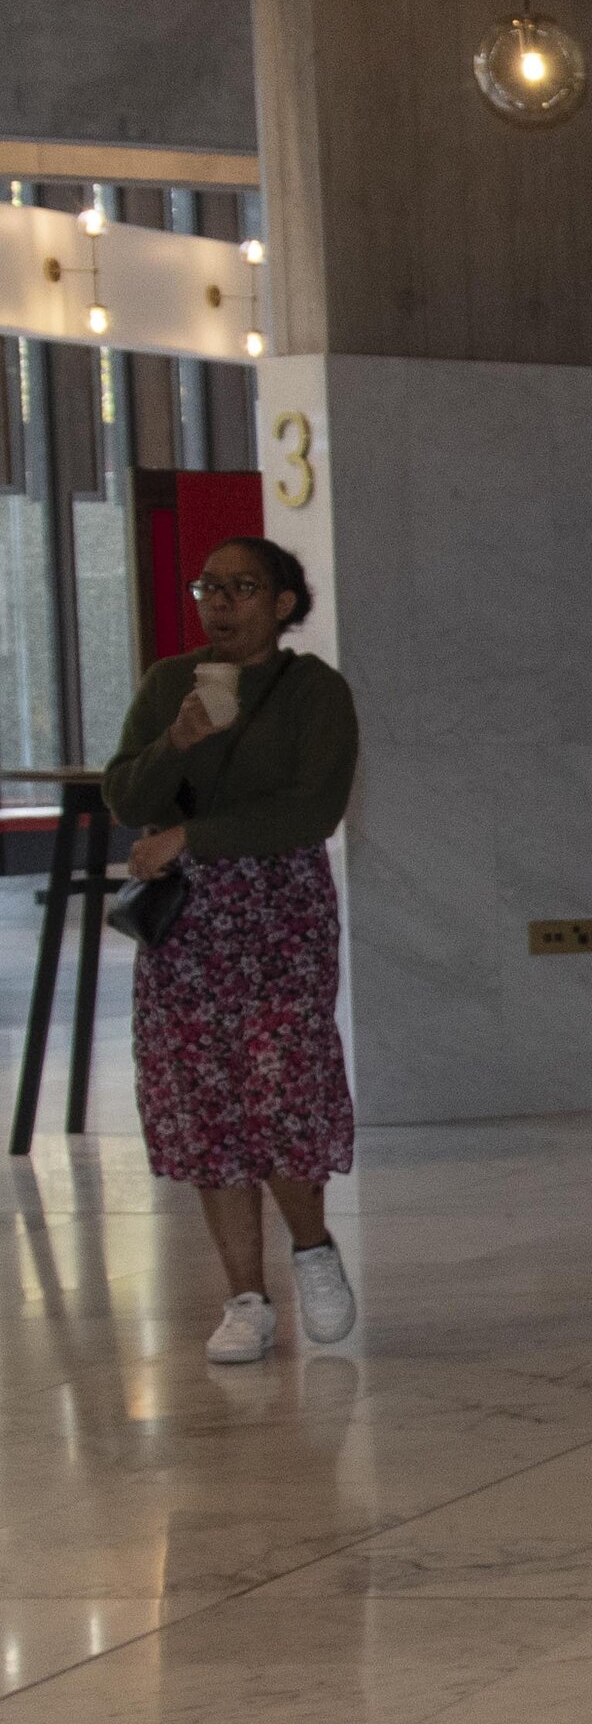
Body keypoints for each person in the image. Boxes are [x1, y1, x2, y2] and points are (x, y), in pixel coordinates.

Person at [100, 536, 362, 1364]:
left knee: (282, 1091)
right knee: (204, 1102)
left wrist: (192, 834)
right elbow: (122, 796)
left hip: (279, 914)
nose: (220, 602)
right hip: (188, 922)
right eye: (208, 585)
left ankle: (313, 1249)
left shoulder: (315, 691)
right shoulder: (166, 684)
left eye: (243, 587)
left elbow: (312, 810)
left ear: (283, 604)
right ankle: (245, 1298)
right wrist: (175, 741)